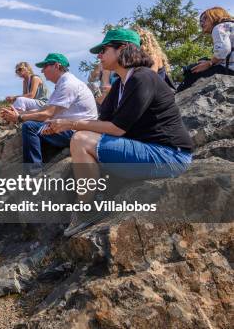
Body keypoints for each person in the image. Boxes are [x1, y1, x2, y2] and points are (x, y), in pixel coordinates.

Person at [44, 28, 193, 237]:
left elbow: (116, 129)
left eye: (104, 49)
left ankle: (87, 209)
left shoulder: (143, 78)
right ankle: (98, 198)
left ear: (122, 49)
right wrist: (62, 125)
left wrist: (70, 124)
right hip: (147, 150)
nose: (99, 55)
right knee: (82, 140)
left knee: (81, 140)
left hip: (169, 155)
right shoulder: (121, 85)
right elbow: (102, 122)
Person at [0, 53, 97, 163]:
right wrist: (18, 114)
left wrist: (20, 118)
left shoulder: (68, 84)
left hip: (78, 132)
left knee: (29, 127)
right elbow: (44, 110)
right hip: (72, 128)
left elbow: (47, 114)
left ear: (56, 66)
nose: (42, 71)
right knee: (35, 126)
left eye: (45, 66)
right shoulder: (62, 83)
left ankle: (33, 173)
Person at [176, 7, 234, 92]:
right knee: (203, 61)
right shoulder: (230, 25)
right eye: (200, 21)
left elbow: (223, 49)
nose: (201, 23)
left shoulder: (218, 27)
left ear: (214, 16)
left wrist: (209, 63)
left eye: (204, 19)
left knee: (193, 71)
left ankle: (177, 94)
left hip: (231, 69)